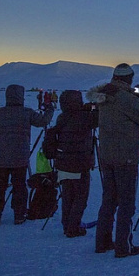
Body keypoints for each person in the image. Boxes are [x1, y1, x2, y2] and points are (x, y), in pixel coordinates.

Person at [87, 63, 139, 258]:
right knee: (126, 203)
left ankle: (102, 242)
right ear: (129, 79)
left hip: (106, 155)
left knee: (109, 200)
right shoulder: (125, 98)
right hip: (125, 156)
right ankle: (123, 247)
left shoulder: (105, 95)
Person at [0, 84, 54, 225]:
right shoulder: (26, 112)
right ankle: (19, 214)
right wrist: (50, 109)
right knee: (19, 185)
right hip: (20, 157)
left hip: (1, 157)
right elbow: (43, 121)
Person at [43, 90, 98, 237]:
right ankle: (73, 228)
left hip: (63, 163)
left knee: (68, 196)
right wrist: (92, 107)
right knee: (80, 197)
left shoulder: (62, 117)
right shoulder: (85, 118)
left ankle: (67, 224)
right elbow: (98, 118)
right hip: (80, 164)